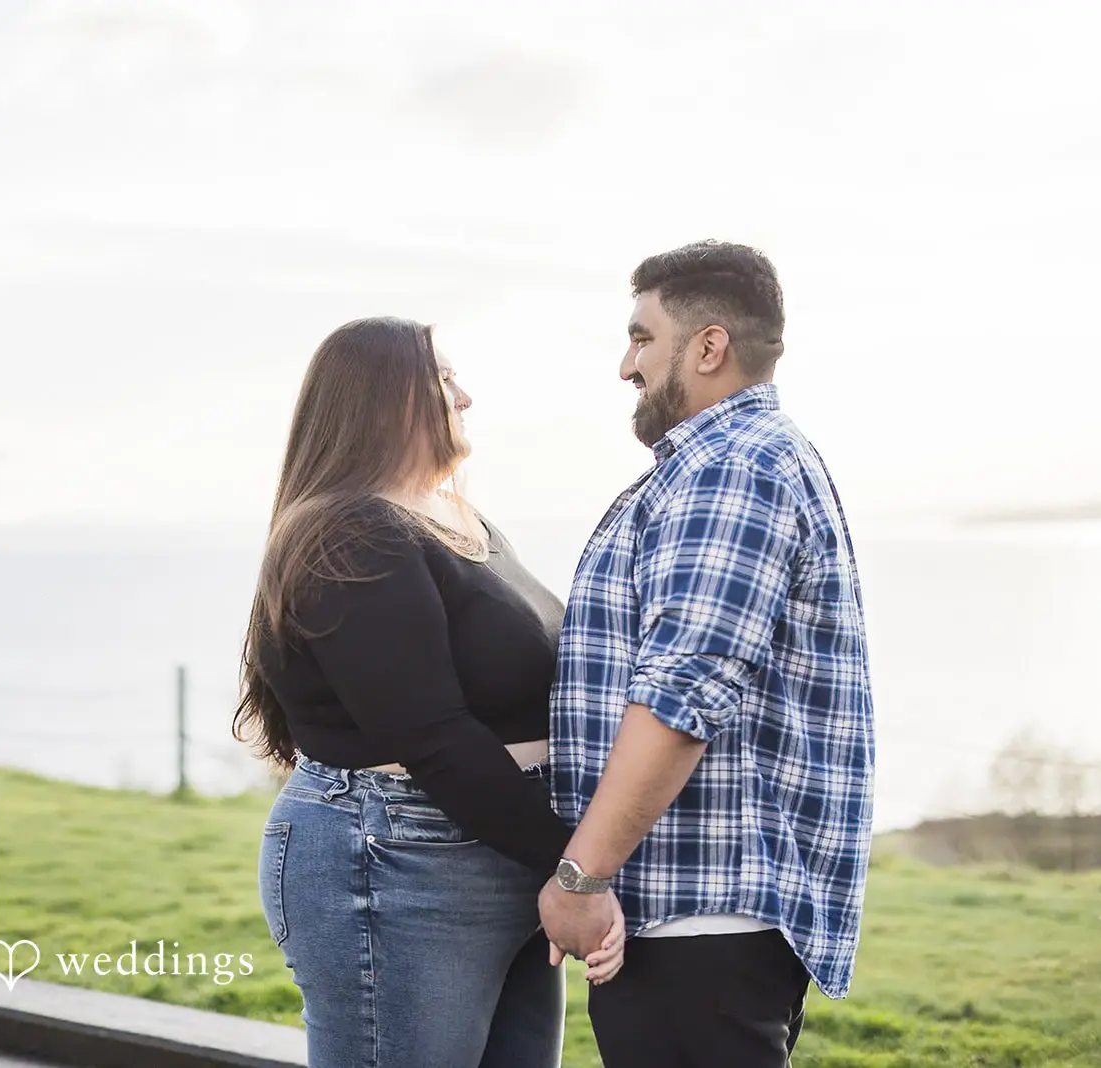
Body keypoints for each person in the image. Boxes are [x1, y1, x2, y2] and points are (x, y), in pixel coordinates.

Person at [235, 316, 623, 1068]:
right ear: (383, 398)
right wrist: (573, 866)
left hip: (501, 843)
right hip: (399, 860)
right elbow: (432, 734)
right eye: (444, 380)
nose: (466, 398)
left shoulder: (458, 518)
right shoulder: (351, 531)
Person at [538, 241, 877, 1067]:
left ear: (708, 346)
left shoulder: (734, 469)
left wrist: (579, 877)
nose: (627, 365)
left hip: (701, 920)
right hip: (688, 919)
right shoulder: (720, 465)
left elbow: (683, 695)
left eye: (641, 338)